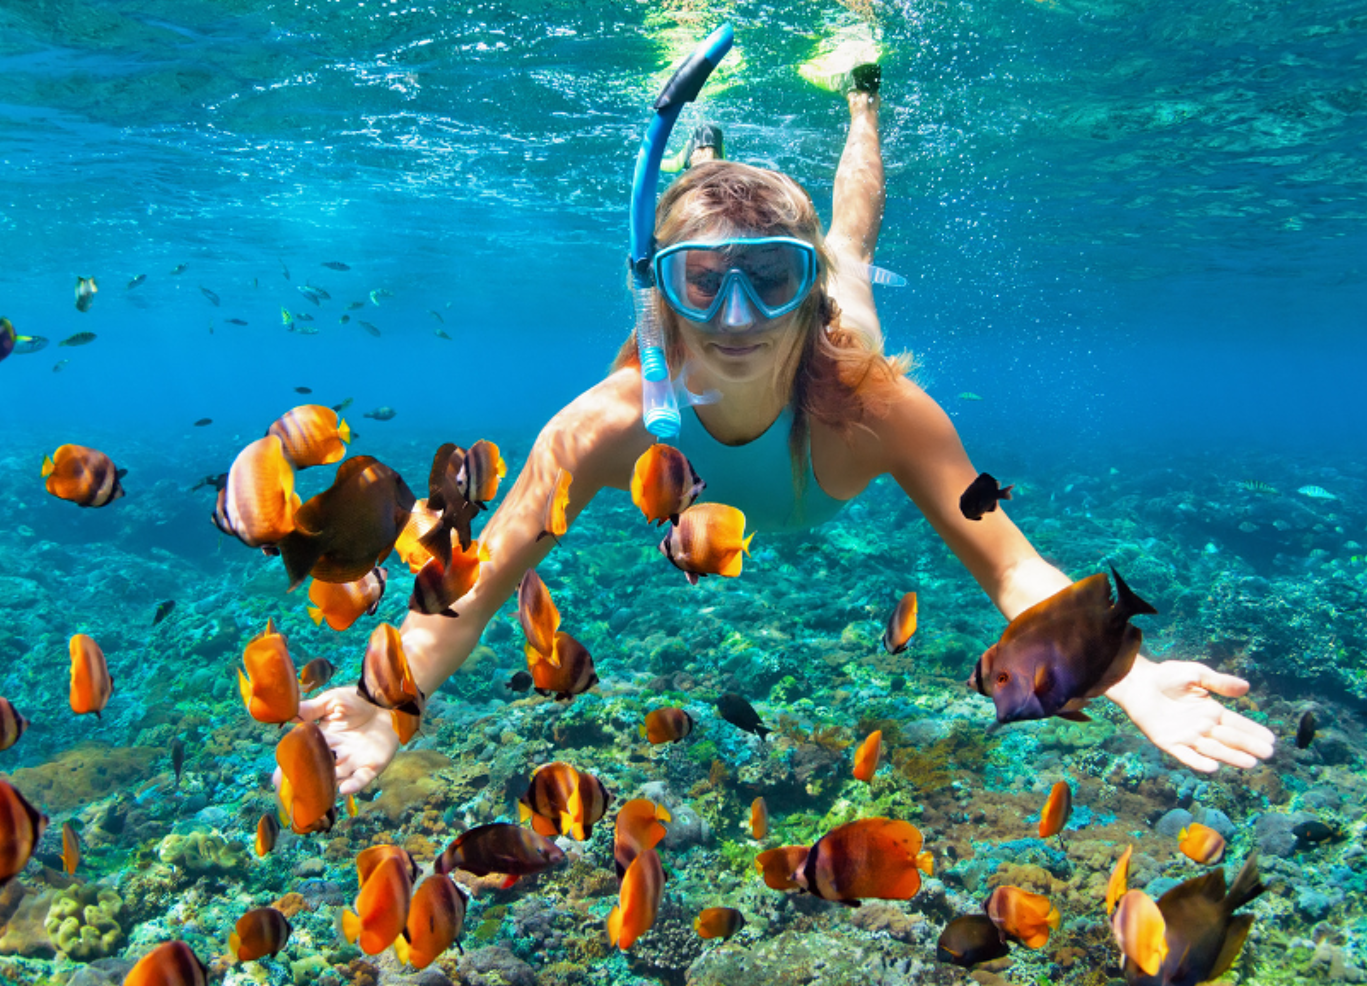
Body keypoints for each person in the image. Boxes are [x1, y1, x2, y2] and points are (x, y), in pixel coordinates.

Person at [293, 60, 1276, 795]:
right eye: (700, 282)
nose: (733, 317)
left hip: (837, 350)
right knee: (714, 212)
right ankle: (705, 163)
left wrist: (1120, 668)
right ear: (660, 299)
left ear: (807, 300)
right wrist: (389, 703)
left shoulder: (877, 408)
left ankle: (858, 99)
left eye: (771, 277)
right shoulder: (606, 423)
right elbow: (480, 572)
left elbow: (1009, 564)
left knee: (849, 242)